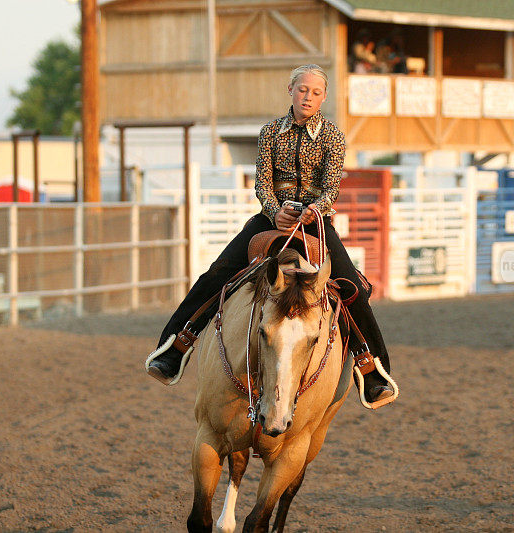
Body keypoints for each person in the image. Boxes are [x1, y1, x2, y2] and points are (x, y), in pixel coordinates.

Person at [145, 64, 396, 407]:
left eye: (316, 92)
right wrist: (274, 209)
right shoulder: (269, 133)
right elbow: (261, 181)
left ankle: (372, 370)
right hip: (271, 218)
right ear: (290, 90)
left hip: (315, 220)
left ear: (323, 98)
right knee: (217, 272)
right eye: (302, 89)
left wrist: (314, 209)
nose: (308, 96)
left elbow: (331, 187)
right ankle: (175, 348)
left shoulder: (333, 136)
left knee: (351, 286)